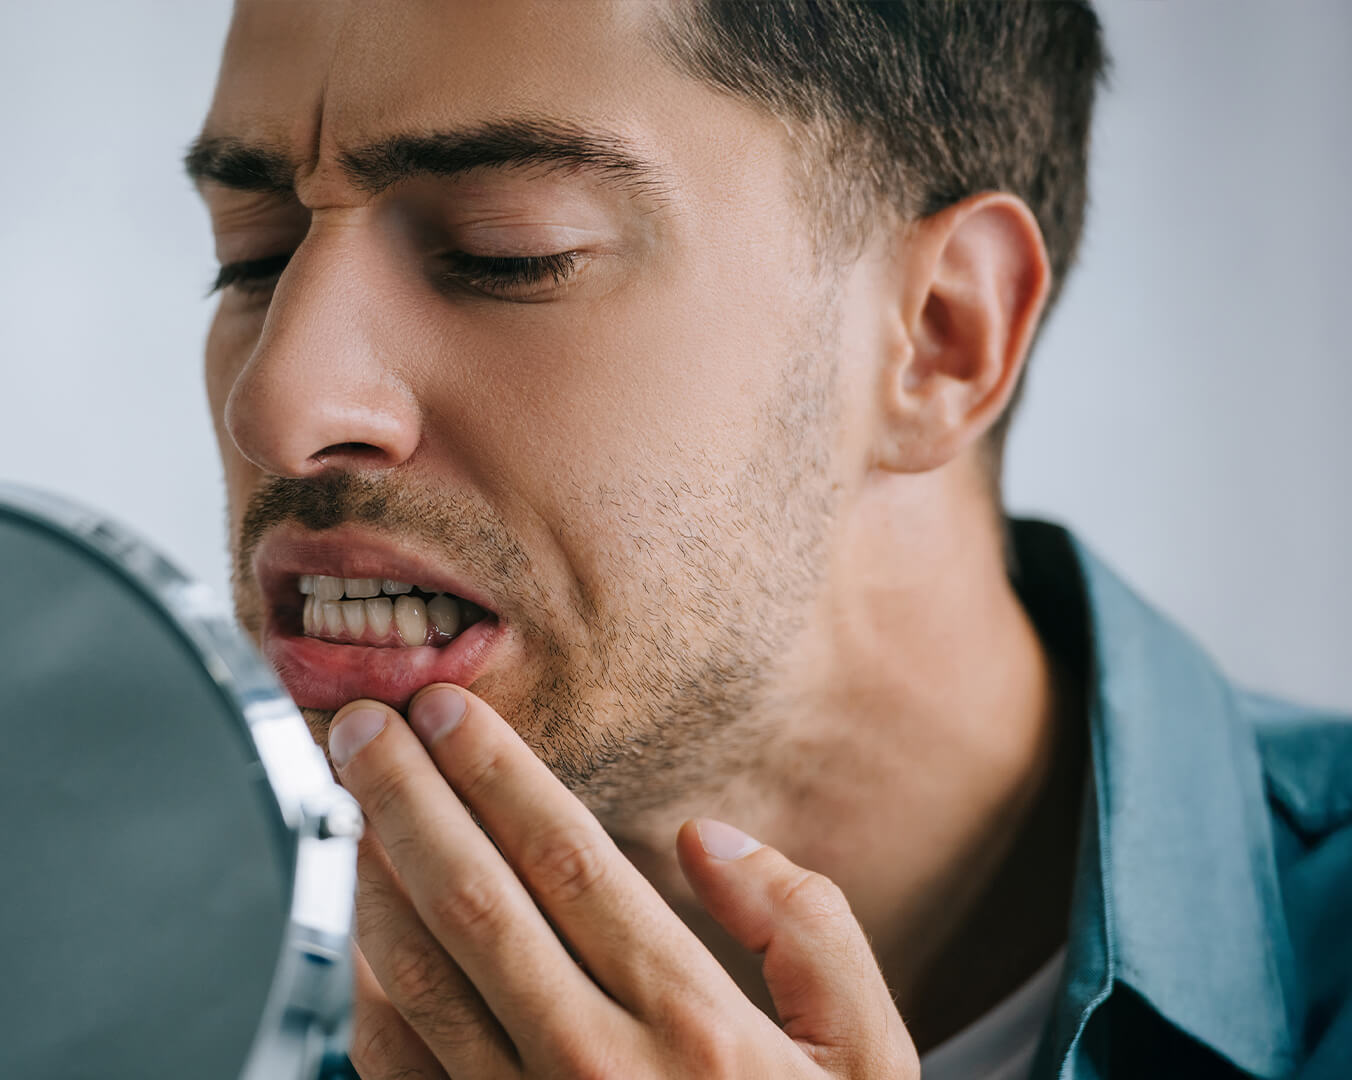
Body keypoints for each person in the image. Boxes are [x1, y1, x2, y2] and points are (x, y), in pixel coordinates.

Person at [184, 2, 1352, 1077]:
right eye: (252, 255)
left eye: (507, 252)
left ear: (942, 338)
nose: (280, 405)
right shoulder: (89, 984)